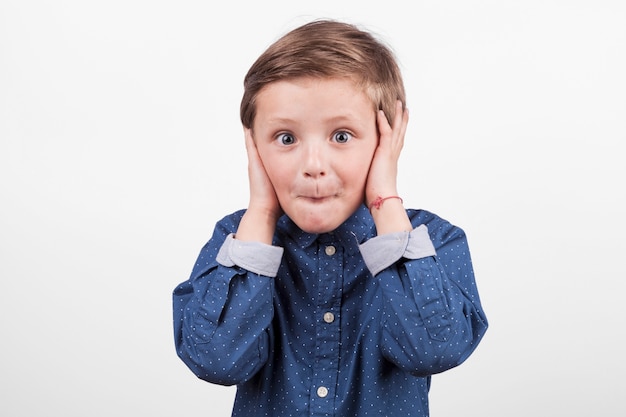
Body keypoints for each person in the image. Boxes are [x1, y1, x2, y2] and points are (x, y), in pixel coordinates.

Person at [173, 19, 488, 417]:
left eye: (341, 136)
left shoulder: (432, 240)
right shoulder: (237, 242)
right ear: (254, 145)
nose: (313, 165)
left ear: (387, 138)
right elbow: (215, 361)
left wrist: (384, 200)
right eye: (286, 138)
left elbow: (436, 349)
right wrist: (262, 210)